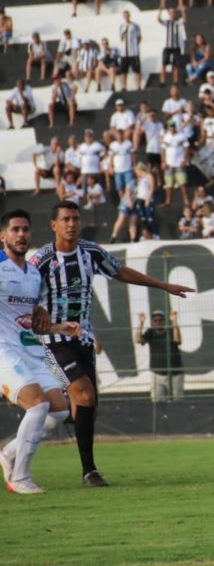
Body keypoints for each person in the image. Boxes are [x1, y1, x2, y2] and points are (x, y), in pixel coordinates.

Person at [31, 201, 195, 486]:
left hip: (83, 338)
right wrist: (37, 309)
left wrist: (164, 285)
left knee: (89, 409)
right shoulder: (42, 260)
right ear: (53, 225)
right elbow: (23, 291)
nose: (72, 224)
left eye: (76, 219)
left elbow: (121, 272)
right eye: (66, 219)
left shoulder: (90, 253)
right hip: (54, 338)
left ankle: (19, 444)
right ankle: (89, 472)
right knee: (84, 395)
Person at [0, 210, 78, 495]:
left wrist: (59, 327)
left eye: (25, 229)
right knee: (38, 405)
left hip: (29, 349)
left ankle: (8, 454)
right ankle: (19, 477)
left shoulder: (33, 274)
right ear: (3, 236)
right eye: (15, 229)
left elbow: (31, 320)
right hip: (3, 350)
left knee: (58, 411)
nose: (21, 235)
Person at [136, 311, 185, 402]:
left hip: (175, 373)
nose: (158, 322)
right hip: (157, 373)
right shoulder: (150, 332)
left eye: (160, 320)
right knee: (157, 400)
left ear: (164, 321)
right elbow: (138, 340)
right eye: (155, 320)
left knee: (177, 400)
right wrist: (141, 323)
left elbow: (177, 340)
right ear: (152, 322)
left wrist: (174, 322)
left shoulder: (171, 330)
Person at [158, 7, 187, 87]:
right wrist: (159, 12)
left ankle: (175, 81)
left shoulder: (178, 21)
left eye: (173, 12)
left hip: (176, 46)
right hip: (167, 46)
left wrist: (183, 11)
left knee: (176, 64)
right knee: (164, 64)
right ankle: (162, 81)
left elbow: (185, 20)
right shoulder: (167, 22)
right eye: (170, 12)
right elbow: (159, 20)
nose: (172, 14)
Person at [118, 11, 143, 91]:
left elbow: (139, 37)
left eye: (127, 15)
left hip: (133, 52)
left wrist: (135, 45)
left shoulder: (135, 25)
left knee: (137, 69)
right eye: (124, 15)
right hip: (124, 53)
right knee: (123, 70)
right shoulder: (122, 26)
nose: (126, 17)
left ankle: (138, 86)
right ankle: (124, 87)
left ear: (129, 15)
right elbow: (121, 38)